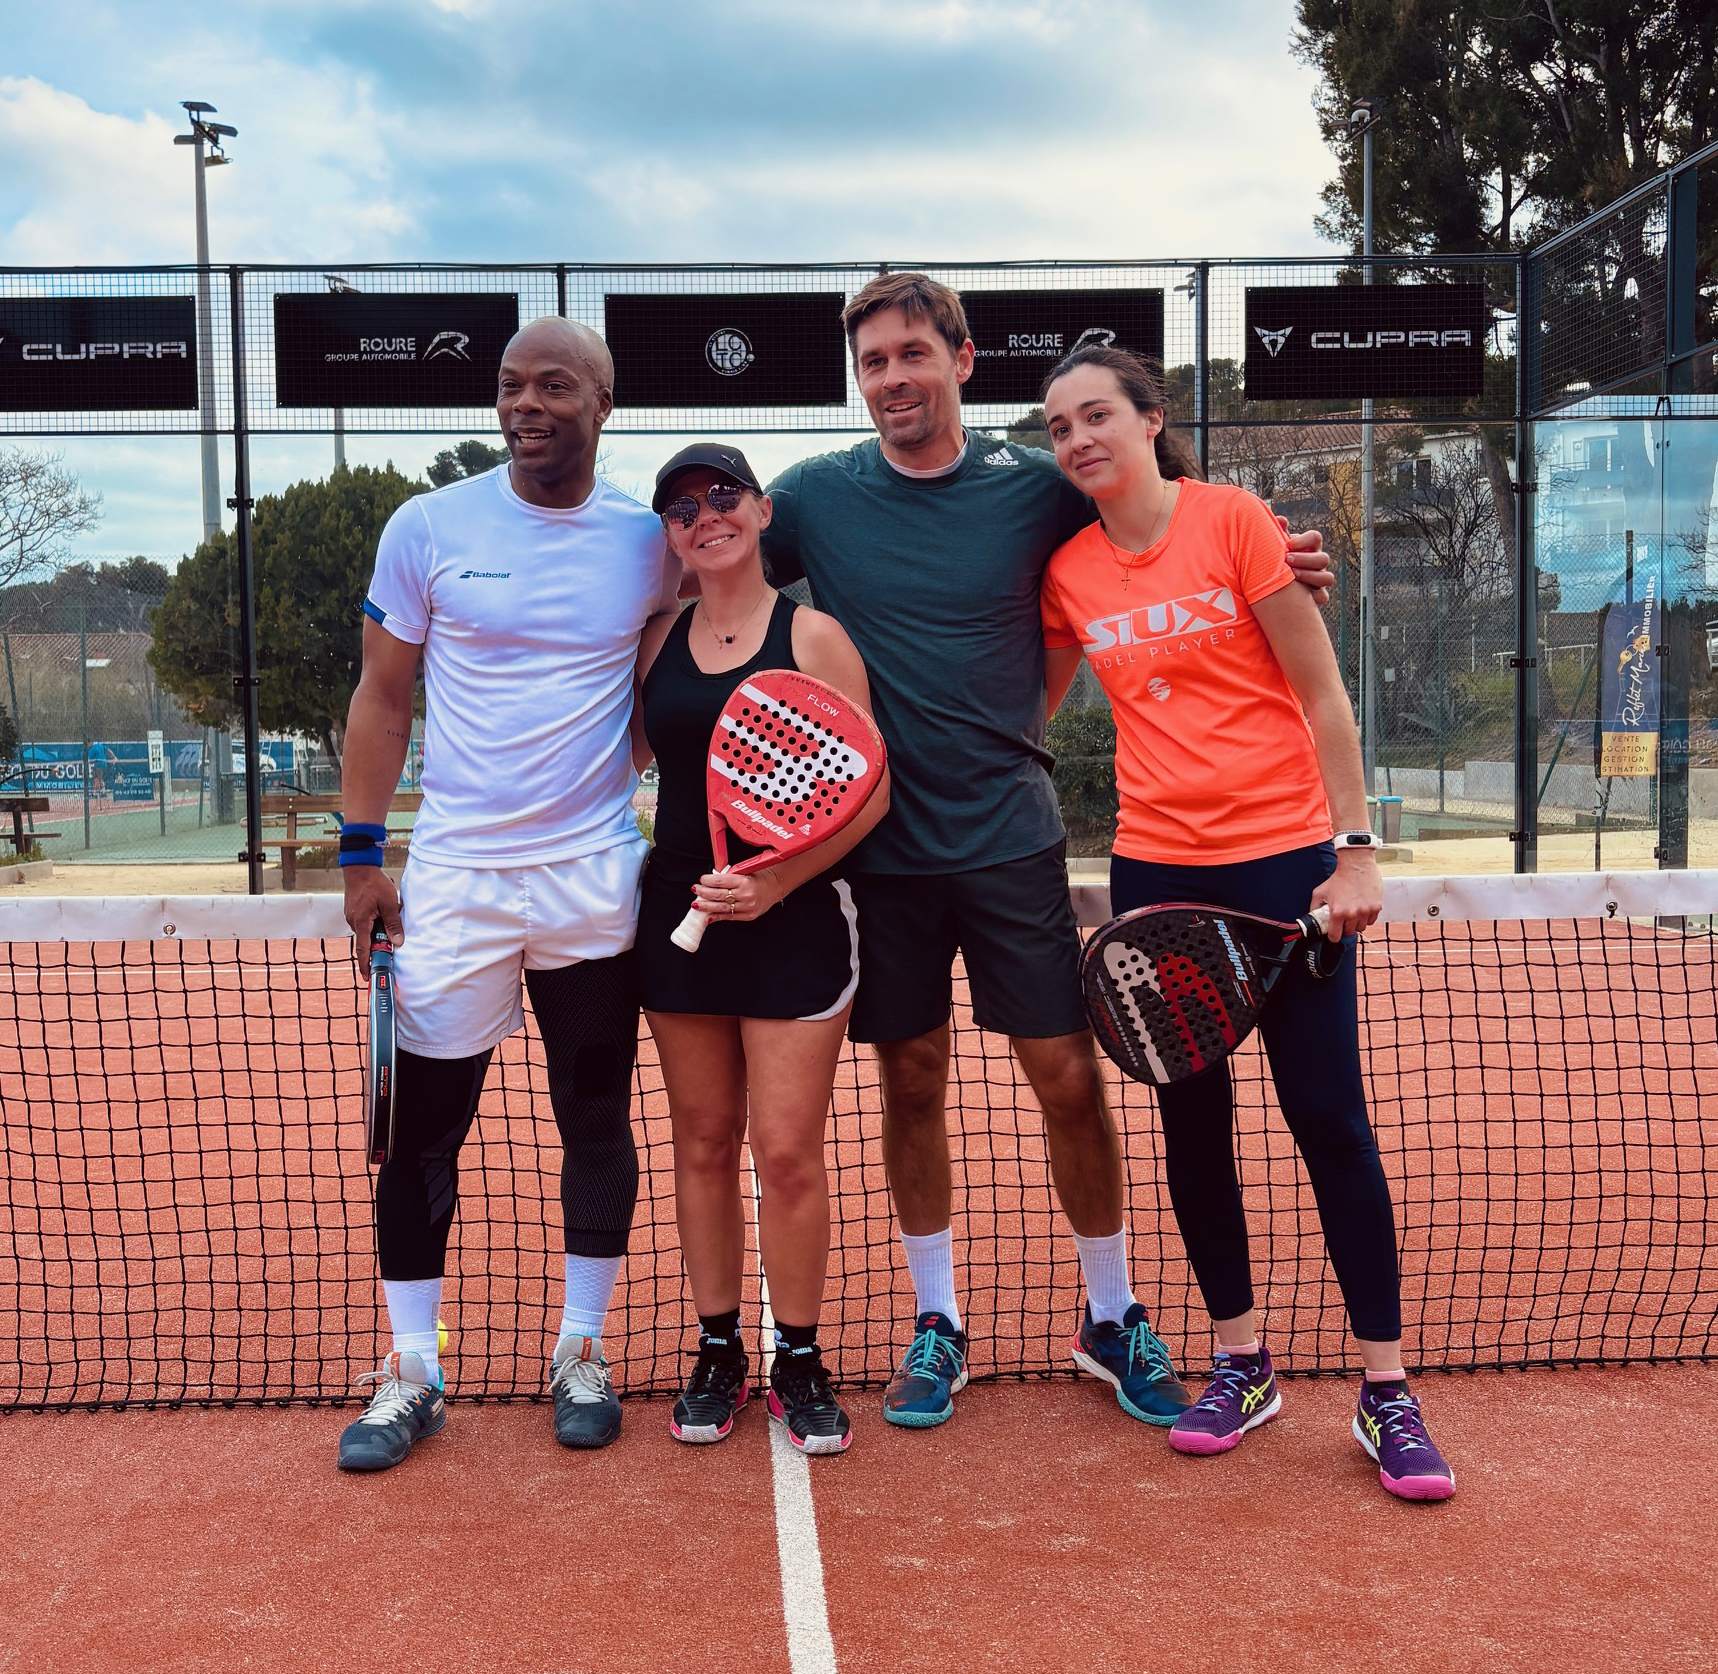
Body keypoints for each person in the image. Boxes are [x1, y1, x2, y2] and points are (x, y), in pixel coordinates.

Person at [761, 273, 1335, 1431]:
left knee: (1067, 1077)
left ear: (961, 361)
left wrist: (1283, 554)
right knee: (909, 1077)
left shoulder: (1035, 491)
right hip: (880, 849)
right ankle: (938, 1321)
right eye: (871, 362)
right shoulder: (814, 498)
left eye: (911, 354)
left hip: (1011, 839)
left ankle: (1109, 1314)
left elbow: (1165, 526)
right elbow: (706, 561)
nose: (890, 379)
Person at [1038, 344, 1454, 1501]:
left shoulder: (1231, 524)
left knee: (1328, 1115)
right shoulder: (1067, 571)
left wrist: (1353, 848)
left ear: (1149, 417)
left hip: (1284, 866)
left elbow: (1322, 693)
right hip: (1155, 873)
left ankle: (1386, 1391)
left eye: (1095, 416)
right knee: (1192, 1124)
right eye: (1057, 425)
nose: (1076, 439)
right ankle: (1238, 1358)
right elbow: (1026, 702)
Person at [335, 317, 679, 1473]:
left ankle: (580, 1346)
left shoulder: (648, 541)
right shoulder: (427, 526)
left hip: (592, 882)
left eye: (552, 385)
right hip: (455, 886)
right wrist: (360, 854)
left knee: (594, 1118)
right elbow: (383, 698)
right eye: (508, 386)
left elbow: (654, 698)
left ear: (603, 401)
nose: (524, 403)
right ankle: (412, 1369)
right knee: (424, 1135)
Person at [633, 443, 888, 1456]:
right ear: (670, 534)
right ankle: (716, 1347)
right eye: (682, 507)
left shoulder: (812, 634)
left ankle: (798, 1353)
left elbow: (870, 787)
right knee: (699, 1142)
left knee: (784, 1154)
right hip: (677, 916)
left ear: (762, 509)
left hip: (791, 921)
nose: (706, 515)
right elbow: (637, 758)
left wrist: (776, 879)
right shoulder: (651, 642)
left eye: (722, 495)